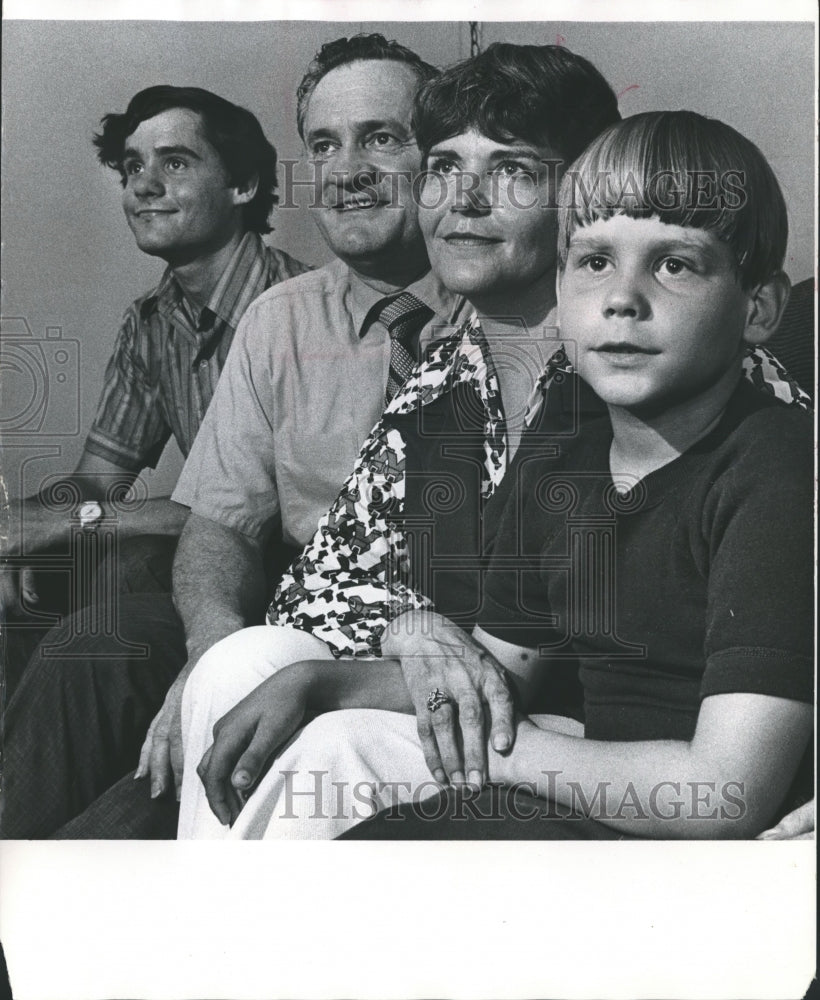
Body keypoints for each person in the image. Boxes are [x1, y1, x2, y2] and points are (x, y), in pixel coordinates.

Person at [179, 66, 811, 837]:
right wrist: (330, 674)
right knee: (264, 682)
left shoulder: (757, 431)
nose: (622, 297)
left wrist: (504, 750)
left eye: (510, 169)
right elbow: (464, 651)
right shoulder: (510, 415)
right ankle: (217, 934)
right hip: (565, 736)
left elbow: (730, 777)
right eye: (597, 260)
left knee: (365, 808)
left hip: (668, 781)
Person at [0, 34, 461, 839]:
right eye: (325, 144)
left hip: (391, 649)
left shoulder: (508, 313)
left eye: (383, 138)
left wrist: (77, 525)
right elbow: (191, 518)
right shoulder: (257, 322)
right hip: (264, 623)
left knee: (103, 635)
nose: (348, 168)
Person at [0, 86, 309, 687]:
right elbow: (95, 483)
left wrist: (76, 522)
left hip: (287, 577)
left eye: (174, 163)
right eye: (132, 166)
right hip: (203, 556)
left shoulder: (301, 313)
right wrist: (11, 530)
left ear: (243, 186)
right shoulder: (152, 321)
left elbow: (254, 517)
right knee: (44, 571)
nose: (142, 185)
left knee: (128, 565)